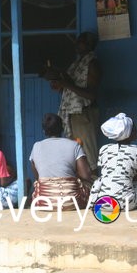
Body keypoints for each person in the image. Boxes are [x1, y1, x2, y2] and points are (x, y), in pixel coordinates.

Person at [48, 31, 101, 172]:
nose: (76, 45)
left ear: (89, 44)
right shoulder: (77, 63)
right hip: (73, 113)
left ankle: (93, 188)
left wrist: (66, 85)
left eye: (80, 42)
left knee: (88, 156)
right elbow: (71, 89)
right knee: (75, 155)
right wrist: (60, 83)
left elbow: (91, 95)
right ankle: (82, 189)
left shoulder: (92, 64)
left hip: (84, 114)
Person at [88, 113, 137, 211]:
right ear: (129, 133)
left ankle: (92, 203)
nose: (136, 132)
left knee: (100, 180)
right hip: (125, 204)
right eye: (134, 130)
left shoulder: (104, 149)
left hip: (102, 203)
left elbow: (106, 173)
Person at [30, 113, 92, 210]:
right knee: (91, 184)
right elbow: (86, 175)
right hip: (71, 202)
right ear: (62, 128)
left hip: (43, 202)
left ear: (44, 131)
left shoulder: (36, 146)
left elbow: (38, 177)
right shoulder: (74, 145)